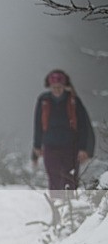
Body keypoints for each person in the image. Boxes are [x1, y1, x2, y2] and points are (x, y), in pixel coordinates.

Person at [32, 69, 94, 197]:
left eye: (59, 87)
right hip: (50, 147)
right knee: (54, 180)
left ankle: (71, 210)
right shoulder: (44, 101)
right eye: (54, 87)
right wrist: (36, 148)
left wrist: (84, 149)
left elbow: (84, 126)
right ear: (49, 86)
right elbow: (38, 125)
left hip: (70, 147)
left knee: (69, 180)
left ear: (64, 86)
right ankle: (57, 209)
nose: (57, 90)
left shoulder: (73, 101)